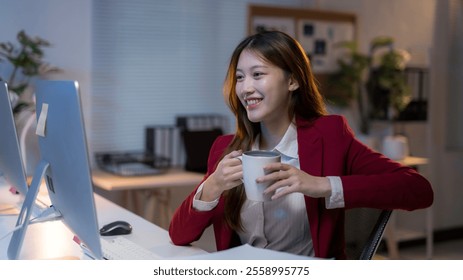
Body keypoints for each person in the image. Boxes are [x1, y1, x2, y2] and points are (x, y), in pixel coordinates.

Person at [169, 31, 433, 259]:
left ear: (293, 81)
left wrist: (321, 184)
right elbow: (179, 236)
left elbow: (418, 189)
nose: (245, 88)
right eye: (239, 77)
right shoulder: (226, 148)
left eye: (257, 74)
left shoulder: (331, 136)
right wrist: (213, 185)